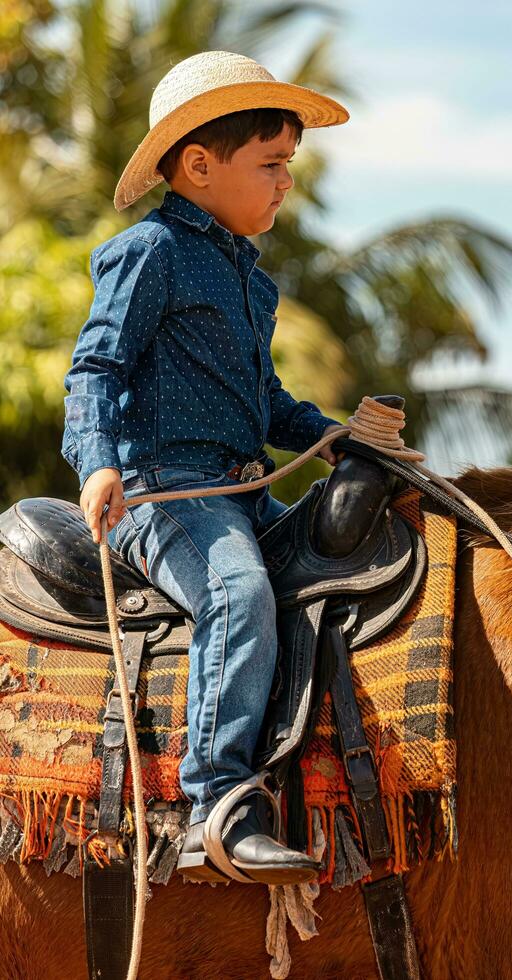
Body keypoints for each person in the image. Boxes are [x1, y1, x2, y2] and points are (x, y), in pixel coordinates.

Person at [60, 51, 350, 885]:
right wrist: (98, 461)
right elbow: (96, 368)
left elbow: (271, 407)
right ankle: (214, 808)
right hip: (164, 492)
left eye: (288, 166)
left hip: (242, 486)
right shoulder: (147, 250)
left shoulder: (252, 283)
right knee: (237, 591)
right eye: (271, 164)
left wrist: (344, 437)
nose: (285, 182)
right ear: (197, 166)